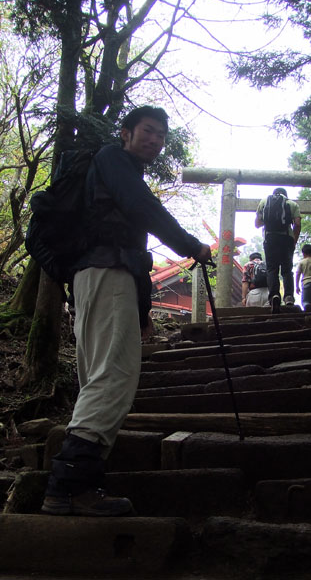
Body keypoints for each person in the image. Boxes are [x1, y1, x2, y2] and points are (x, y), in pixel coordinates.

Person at [42, 105, 211, 516]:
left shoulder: (110, 170)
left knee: (99, 377)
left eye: (161, 136)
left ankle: (76, 483)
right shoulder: (113, 159)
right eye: (148, 131)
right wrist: (191, 246)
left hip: (96, 276)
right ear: (126, 132)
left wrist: (141, 311)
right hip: (105, 272)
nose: (155, 140)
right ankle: (70, 486)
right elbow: (143, 209)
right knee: (113, 375)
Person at [255, 187, 301, 313]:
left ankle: (274, 295)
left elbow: (257, 224)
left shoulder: (264, 202)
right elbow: (297, 224)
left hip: (270, 238)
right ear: (286, 195)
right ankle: (289, 297)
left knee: (272, 269)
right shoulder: (292, 204)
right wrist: (294, 240)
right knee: (287, 270)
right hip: (286, 238)